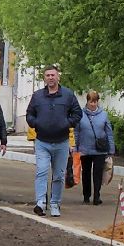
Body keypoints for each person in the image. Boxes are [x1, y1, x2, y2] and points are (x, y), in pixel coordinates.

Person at [25, 65, 81, 216]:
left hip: (62, 142)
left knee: (58, 175)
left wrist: (67, 123)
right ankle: (40, 203)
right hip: (42, 141)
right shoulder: (37, 96)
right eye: (48, 75)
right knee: (41, 171)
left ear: (58, 77)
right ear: (44, 78)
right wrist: (35, 123)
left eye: (53, 75)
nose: (50, 77)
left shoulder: (68, 95)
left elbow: (77, 113)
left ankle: (55, 203)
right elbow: (29, 114)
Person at [75, 90, 116, 205]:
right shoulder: (80, 114)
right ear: (87, 101)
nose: (93, 104)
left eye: (95, 101)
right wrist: (75, 148)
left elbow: (109, 133)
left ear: (98, 102)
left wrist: (111, 149)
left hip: (100, 149)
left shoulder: (104, 114)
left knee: (98, 173)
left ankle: (97, 196)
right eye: (90, 101)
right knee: (86, 173)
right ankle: (86, 196)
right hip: (84, 149)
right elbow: (76, 132)